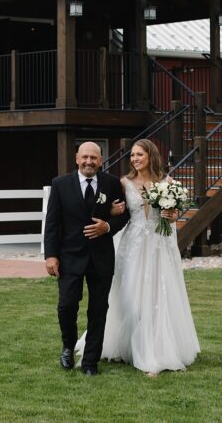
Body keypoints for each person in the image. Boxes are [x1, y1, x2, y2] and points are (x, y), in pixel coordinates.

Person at [79, 138, 199, 376]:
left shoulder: (167, 182)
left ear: (150, 156)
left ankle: (157, 350)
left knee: (159, 294)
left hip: (159, 244)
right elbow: (114, 210)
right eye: (132, 155)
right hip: (132, 244)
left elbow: (174, 215)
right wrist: (113, 211)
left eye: (139, 155)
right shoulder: (124, 183)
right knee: (130, 295)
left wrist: (172, 215)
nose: (134, 159)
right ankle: (127, 344)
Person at [43, 141, 127, 376]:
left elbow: (125, 214)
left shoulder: (111, 183)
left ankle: (90, 361)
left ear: (100, 161)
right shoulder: (60, 184)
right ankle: (68, 347)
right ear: (77, 159)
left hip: (101, 257)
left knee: (98, 309)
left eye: (94, 158)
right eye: (85, 157)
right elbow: (52, 223)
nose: (89, 161)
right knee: (67, 305)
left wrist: (108, 225)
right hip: (69, 257)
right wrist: (50, 255)